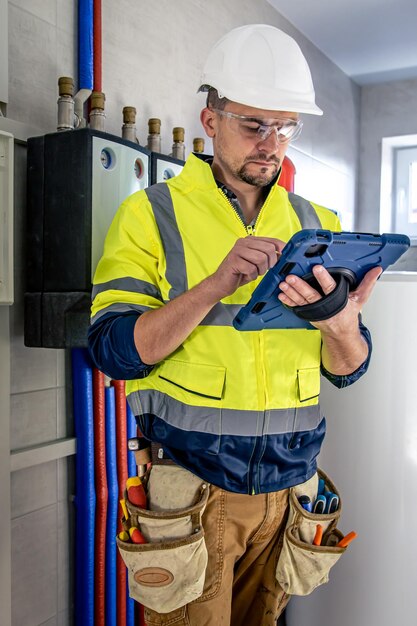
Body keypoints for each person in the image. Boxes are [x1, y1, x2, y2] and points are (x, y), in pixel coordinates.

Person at [88, 24, 380, 626]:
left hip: (292, 490)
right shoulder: (150, 214)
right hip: (191, 493)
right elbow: (114, 351)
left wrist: (339, 323)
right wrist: (214, 286)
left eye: (286, 126)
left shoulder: (316, 222)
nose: (272, 143)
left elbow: (349, 368)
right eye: (253, 124)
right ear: (210, 120)